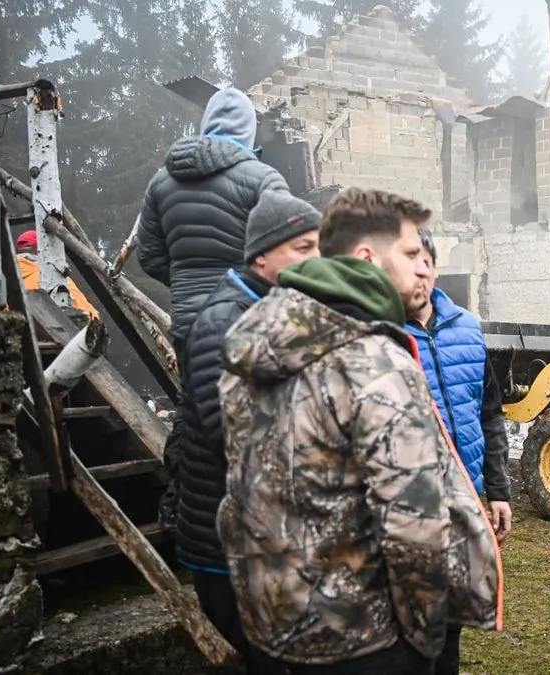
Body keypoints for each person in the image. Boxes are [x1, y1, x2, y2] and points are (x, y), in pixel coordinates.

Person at [216, 187, 504, 674]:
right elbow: (414, 523)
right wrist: (423, 640)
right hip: (363, 640)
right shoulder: (374, 360)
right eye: (411, 253)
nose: (423, 267)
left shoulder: (254, 340)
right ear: (368, 257)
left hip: (274, 628)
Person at [174, 191, 321, 672]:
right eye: (302, 248)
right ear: (262, 253)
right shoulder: (225, 322)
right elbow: (233, 434)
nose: (316, 259)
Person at [136, 86, 289, 529]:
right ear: (248, 129)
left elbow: (151, 256)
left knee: (194, 414)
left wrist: (186, 284)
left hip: (189, 322)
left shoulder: (162, 182)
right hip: (249, 320)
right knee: (258, 414)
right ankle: (255, 519)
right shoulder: (261, 179)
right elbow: (282, 256)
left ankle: (179, 511)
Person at [404, 229, 512, 675]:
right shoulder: (379, 335)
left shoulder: (466, 327)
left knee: (452, 621)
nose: (419, 270)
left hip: (465, 498)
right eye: (407, 258)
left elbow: (489, 413)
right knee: (411, 623)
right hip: (411, 504)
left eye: (425, 259)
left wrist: (499, 489)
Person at [14, 230, 100, 320]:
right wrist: (95, 317)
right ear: (42, 250)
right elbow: (82, 307)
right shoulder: (51, 275)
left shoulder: (6, 277)